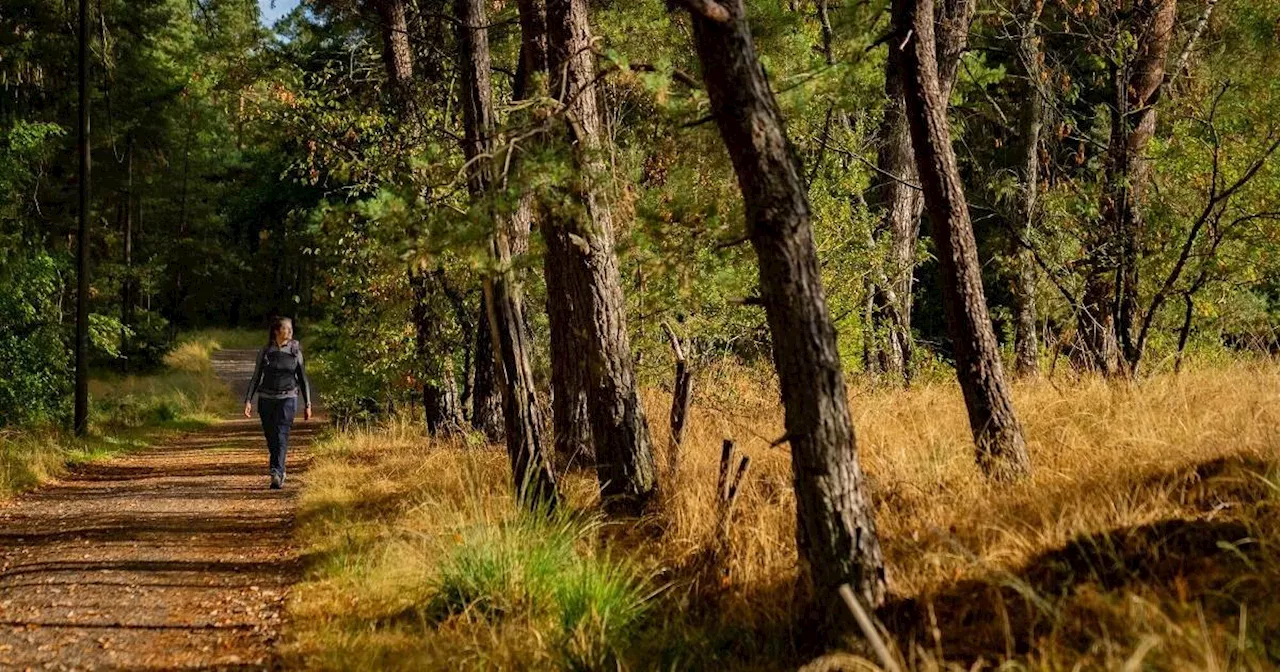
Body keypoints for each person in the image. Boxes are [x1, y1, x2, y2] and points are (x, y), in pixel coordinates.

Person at [243, 316, 312, 489]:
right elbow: (256, 376)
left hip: (288, 399)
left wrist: (308, 404)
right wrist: (248, 400)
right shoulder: (266, 351)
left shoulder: (295, 351)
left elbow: (303, 379)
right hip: (266, 399)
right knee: (271, 437)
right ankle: (278, 467)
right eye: (286, 329)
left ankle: (277, 472)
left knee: (281, 434)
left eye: (290, 329)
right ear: (276, 331)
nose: (289, 332)